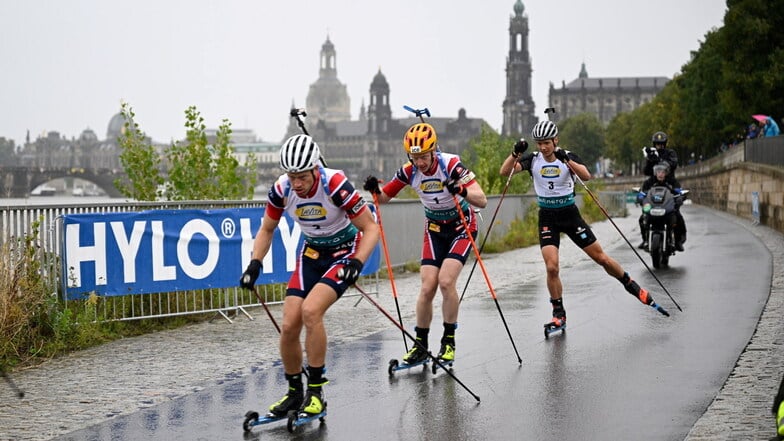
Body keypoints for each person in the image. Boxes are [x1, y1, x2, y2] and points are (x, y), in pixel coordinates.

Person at [240, 134, 379, 418]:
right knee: (290, 323)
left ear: (316, 169)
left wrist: (357, 261)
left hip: (343, 253)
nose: (297, 184)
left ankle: (316, 391)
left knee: (311, 311)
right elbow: (267, 229)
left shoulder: (335, 184)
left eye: (302, 177)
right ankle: (295, 393)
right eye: (292, 177)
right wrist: (255, 263)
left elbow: (371, 228)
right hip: (312, 254)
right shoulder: (282, 189)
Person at [499, 120, 668, 331]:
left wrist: (567, 161)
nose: (543, 147)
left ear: (555, 140)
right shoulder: (533, 160)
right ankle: (558, 315)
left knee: (600, 258)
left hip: (570, 215)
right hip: (547, 217)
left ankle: (632, 286)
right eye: (539, 143)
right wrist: (514, 153)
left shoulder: (567, 156)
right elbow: (505, 172)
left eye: (547, 143)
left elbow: (586, 175)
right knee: (551, 267)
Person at [363, 122, 487, 365]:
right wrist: (373, 190)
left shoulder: (450, 164)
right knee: (427, 286)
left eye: (423, 157)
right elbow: (384, 198)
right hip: (434, 229)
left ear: (433, 151)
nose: (419, 162)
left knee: (446, 281)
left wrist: (460, 189)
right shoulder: (408, 171)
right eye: (414, 157)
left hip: (462, 226)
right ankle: (420, 346)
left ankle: (448, 342)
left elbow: (481, 200)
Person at [636, 162, 687, 251]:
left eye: (663, 172)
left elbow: (679, 191)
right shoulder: (649, 182)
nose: (660, 174)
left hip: (668, 208)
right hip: (652, 208)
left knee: (678, 218)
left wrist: (680, 197)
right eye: (658, 172)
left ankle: (678, 241)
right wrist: (640, 198)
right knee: (642, 219)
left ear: (666, 173)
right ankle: (645, 239)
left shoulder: (672, 181)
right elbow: (642, 192)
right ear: (655, 172)